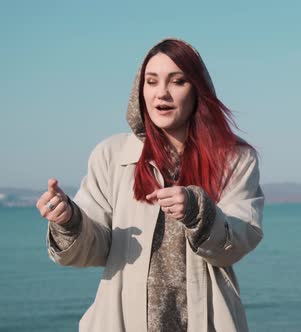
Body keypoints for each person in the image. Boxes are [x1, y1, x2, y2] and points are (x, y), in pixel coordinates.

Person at [36, 38, 264, 332]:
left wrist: (199, 211)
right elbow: (95, 249)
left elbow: (236, 242)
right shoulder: (112, 155)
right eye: (151, 82)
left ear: (197, 90)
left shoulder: (234, 159)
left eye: (178, 81)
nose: (162, 94)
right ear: (139, 91)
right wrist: (68, 221)